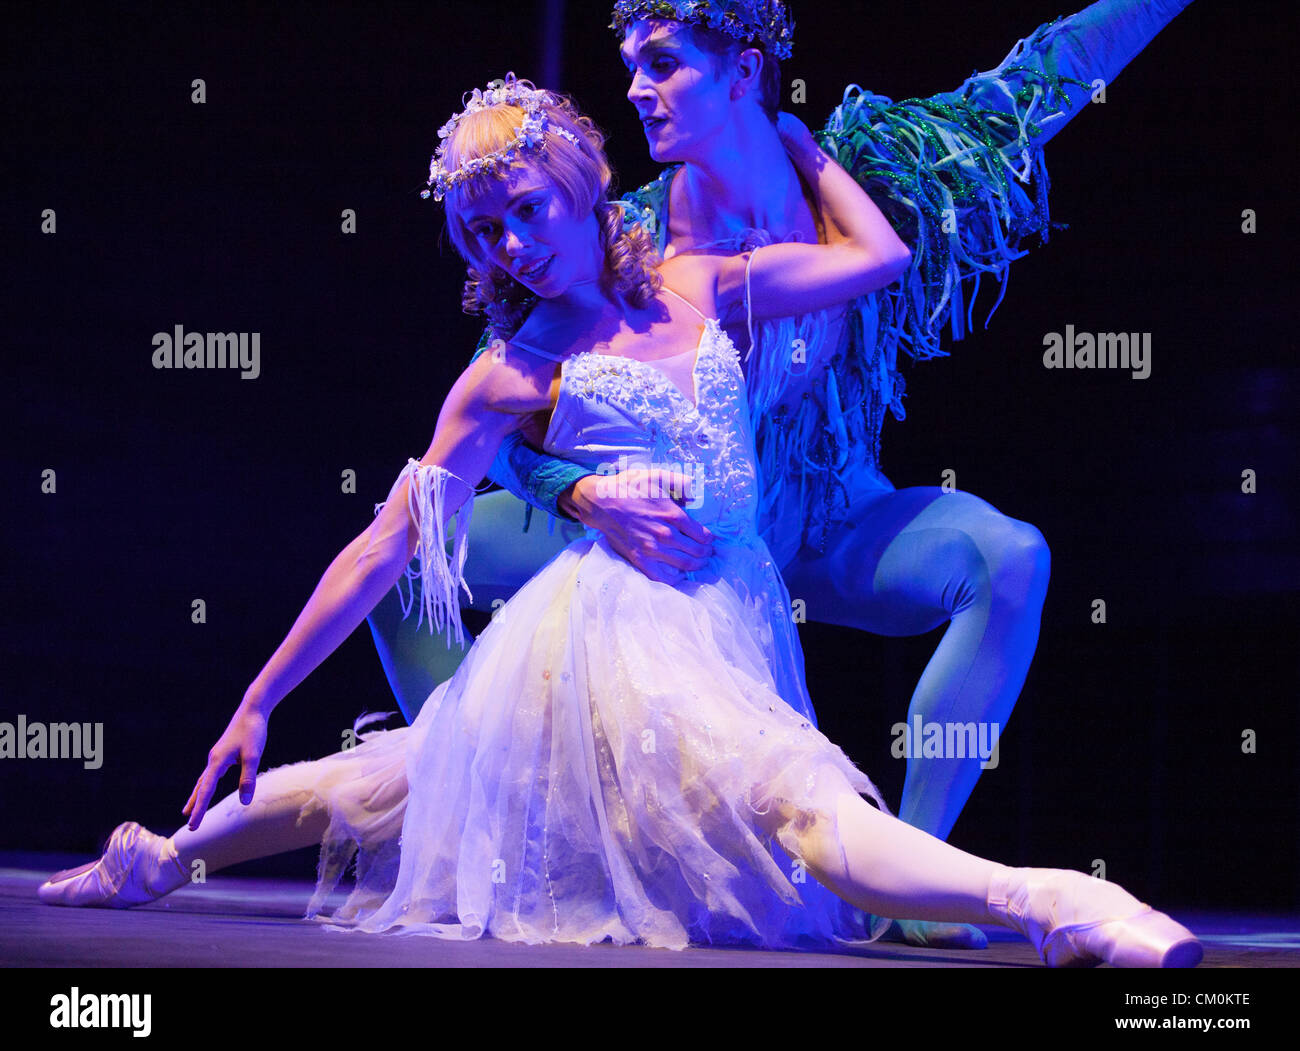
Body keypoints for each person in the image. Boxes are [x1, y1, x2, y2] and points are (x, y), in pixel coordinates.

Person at [40, 77, 1201, 967]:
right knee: (793, 802)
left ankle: (163, 854)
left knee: (401, 779)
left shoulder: (702, 283)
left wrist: (802, 147)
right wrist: (255, 695)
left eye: (526, 212)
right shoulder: (508, 371)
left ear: (586, 185)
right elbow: (388, 542)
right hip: (617, 632)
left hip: (730, 611)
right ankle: (1054, 898)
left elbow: (877, 257)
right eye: (482, 234)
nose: (511, 247)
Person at [362, 0, 1197, 949]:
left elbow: (1037, 82)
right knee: (404, 556)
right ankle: (489, 819)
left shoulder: (880, 174)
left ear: (745, 72)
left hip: (829, 520)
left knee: (1009, 559)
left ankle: (908, 884)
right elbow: (496, 396)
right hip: (668, 533)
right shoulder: (630, 235)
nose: (636, 86)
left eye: (664, 62)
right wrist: (576, 491)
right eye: (632, 62)